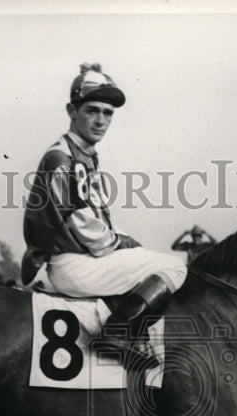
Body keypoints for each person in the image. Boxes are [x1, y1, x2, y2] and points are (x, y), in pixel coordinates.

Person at [22, 62, 187, 366]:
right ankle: (117, 335)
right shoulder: (63, 157)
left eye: (108, 113)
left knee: (147, 257)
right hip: (74, 264)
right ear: (72, 111)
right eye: (92, 111)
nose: (101, 120)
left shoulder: (82, 154)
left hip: (78, 259)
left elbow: (95, 221)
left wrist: (125, 240)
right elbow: (86, 228)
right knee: (175, 267)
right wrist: (122, 243)